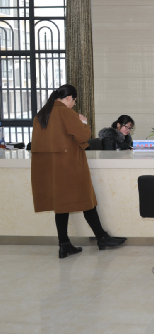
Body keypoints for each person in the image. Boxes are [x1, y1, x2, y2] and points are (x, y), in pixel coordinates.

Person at [30, 84, 126, 259]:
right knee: (86, 200)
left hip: (51, 169)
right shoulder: (66, 113)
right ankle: (101, 238)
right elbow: (83, 136)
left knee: (61, 205)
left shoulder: (41, 114)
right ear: (69, 98)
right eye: (74, 100)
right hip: (69, 166)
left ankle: (64, 244)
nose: (74, 104)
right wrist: (83, 122)